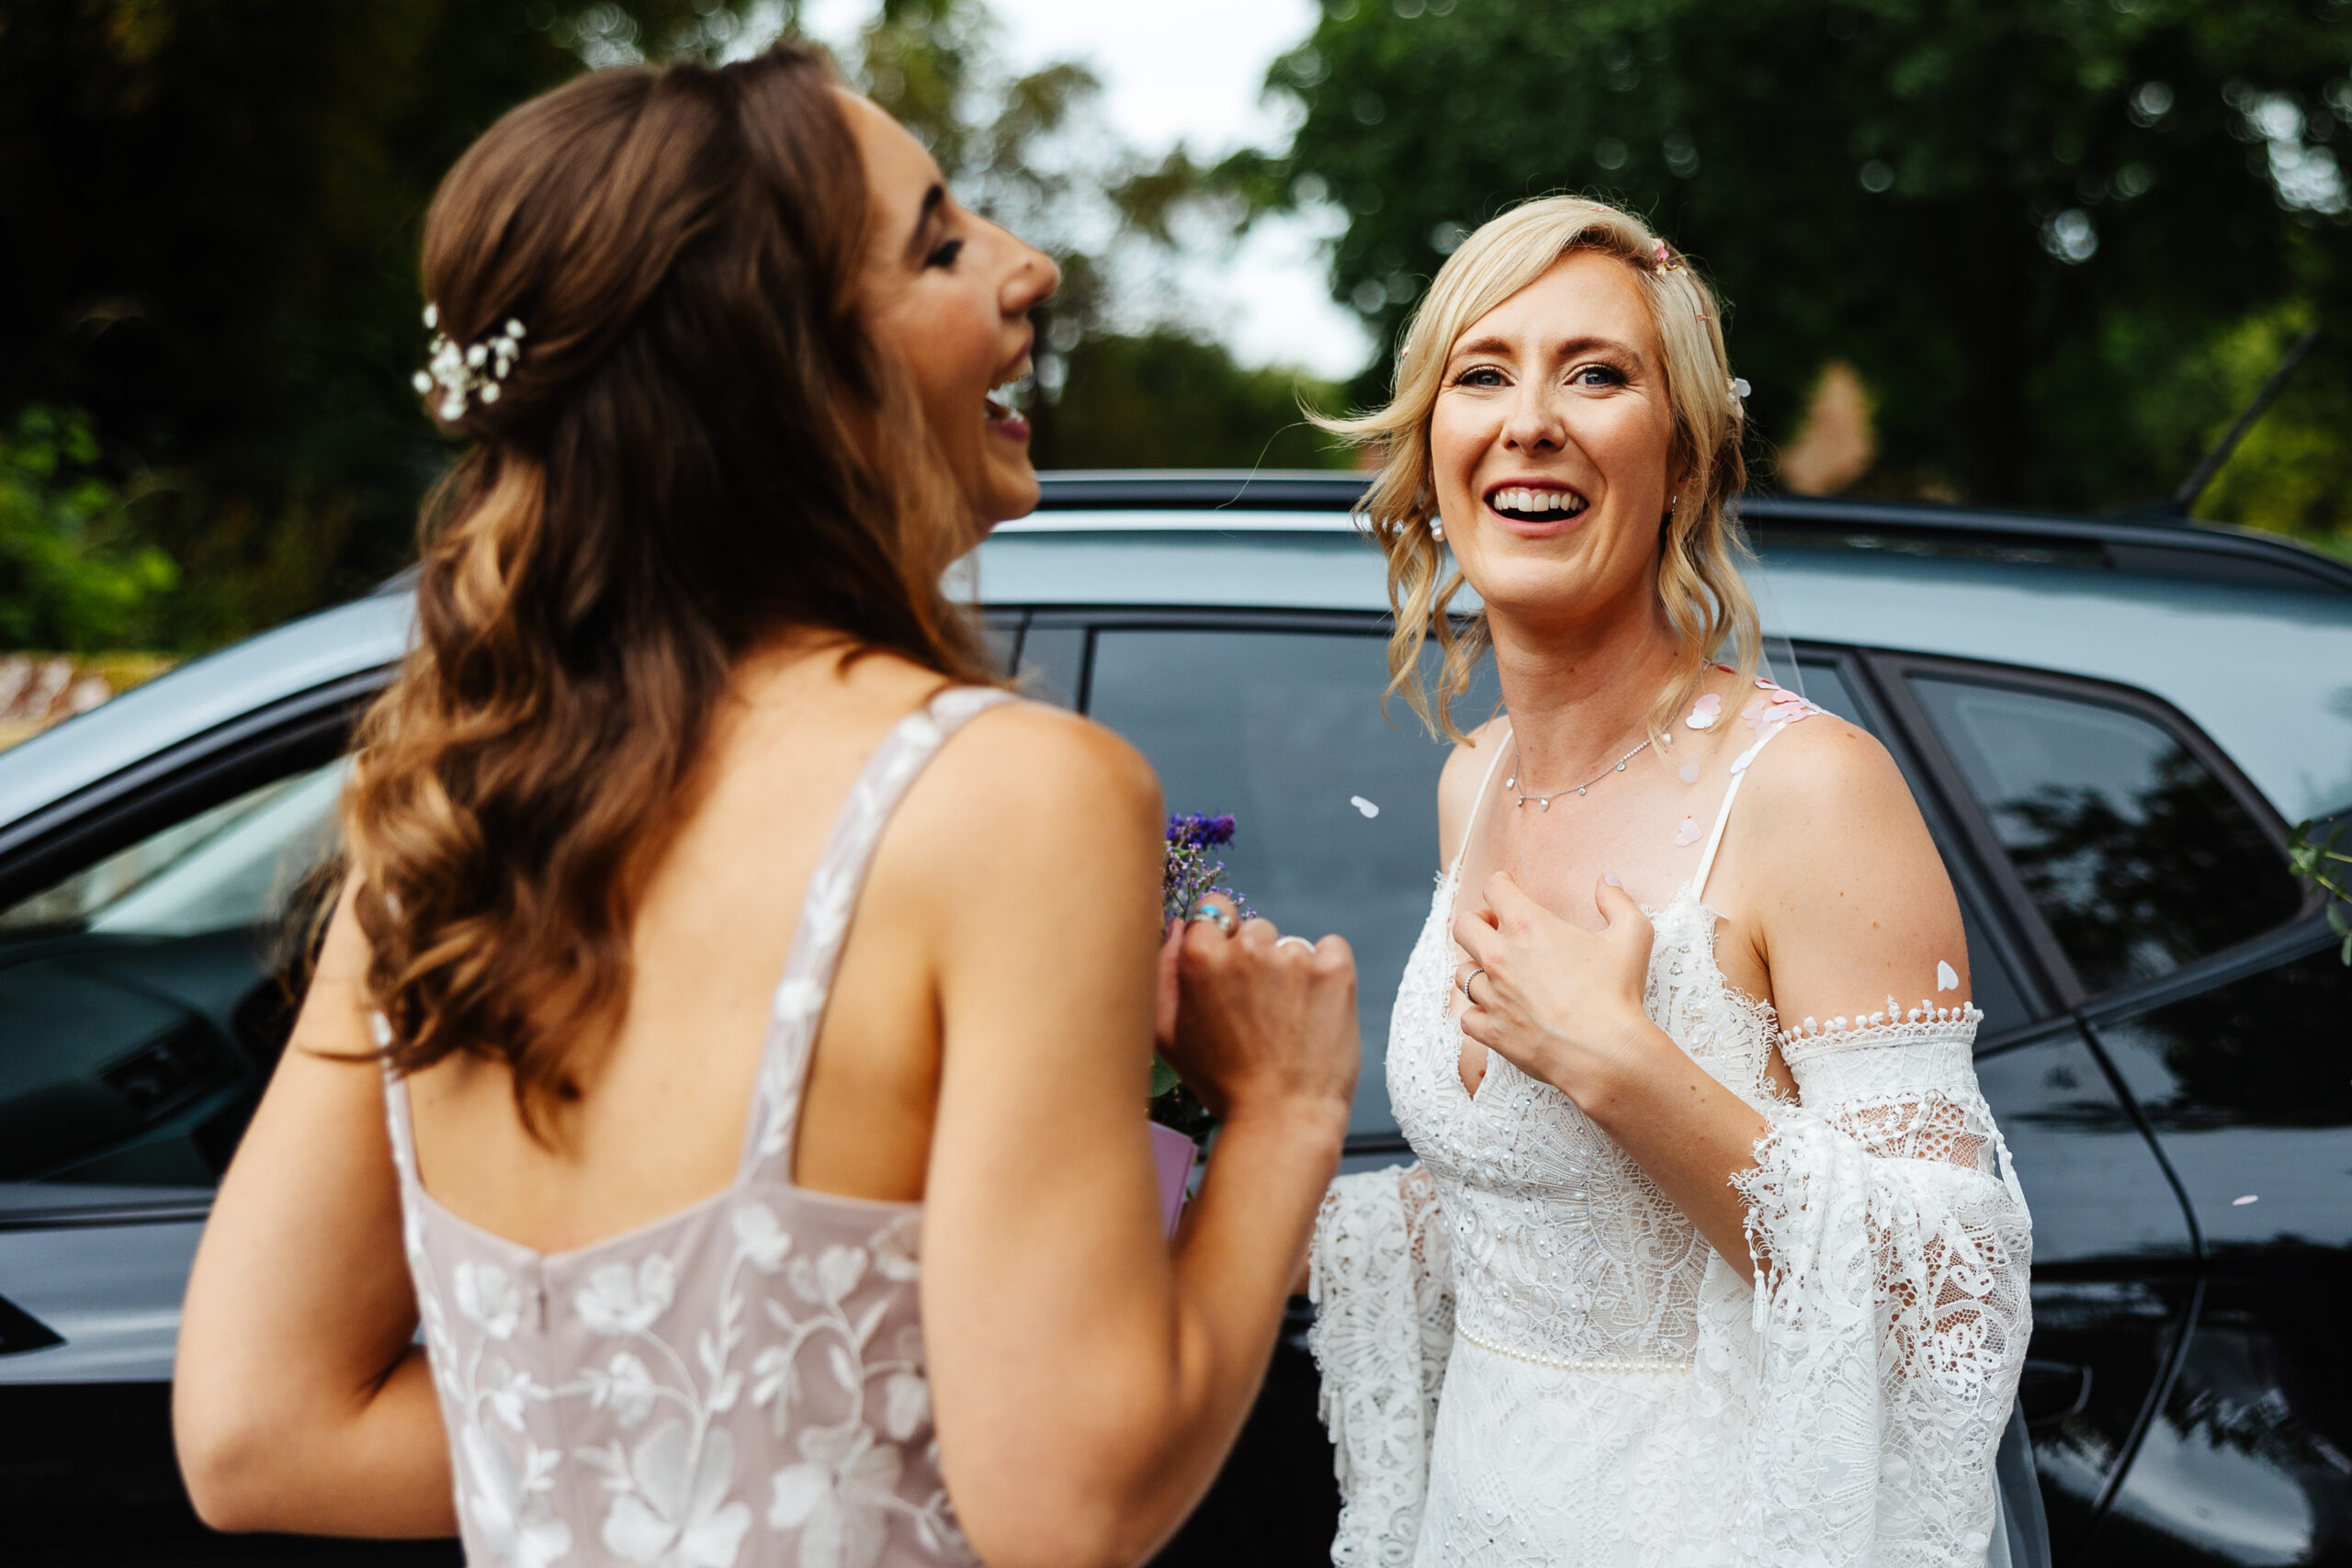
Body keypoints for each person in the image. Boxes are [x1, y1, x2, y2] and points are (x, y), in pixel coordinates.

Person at [172, 45, 1361, 1568]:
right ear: (776, 372)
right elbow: (1070, 1505)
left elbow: (262, 1430)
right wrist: (1280, 1116)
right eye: (940, 244)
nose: (1029, 266)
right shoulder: (1015, 797)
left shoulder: (451, 822)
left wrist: (751, 1441)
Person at [1303, 196, 2034, 1566]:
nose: (1531, 419)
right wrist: (1251, 1138)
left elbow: (1952, 1297)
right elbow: (1537, 1233)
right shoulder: (1472, 783)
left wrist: (1621, 1063)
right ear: (1433, 453)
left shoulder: (1810, 791)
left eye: (1597, 373)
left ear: (1684, 466)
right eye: (1482, 373)